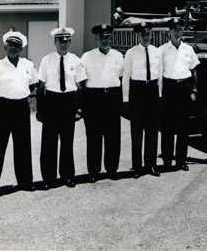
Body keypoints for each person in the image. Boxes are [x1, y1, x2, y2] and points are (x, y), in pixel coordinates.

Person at [0, 30, 38, 200]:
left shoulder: (28, 65)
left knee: (23, 146)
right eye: (11, 45)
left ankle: (25, 182)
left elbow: (33, 84)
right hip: (1, 108)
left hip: (21, 107)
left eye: (17, 45)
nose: (14, 48)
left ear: (22, 48)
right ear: (5, 46)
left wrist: (19, 93)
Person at [37, 27, 87, 189]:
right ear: (55, 42)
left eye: (66, 41)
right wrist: (40, 109)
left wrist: (79, 109)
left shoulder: (76, 60)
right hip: (51, 101)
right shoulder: (47, 60)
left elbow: (80, 87)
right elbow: (41, 86)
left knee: (67, 142)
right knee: (49, 142)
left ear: (70, 42)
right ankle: (48, 178)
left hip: (68, 102)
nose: (63, 45)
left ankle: (67, 176)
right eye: (60, 41)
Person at [81, 24, 124, 182]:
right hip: (93, 99)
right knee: (94, 136)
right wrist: (82, 104)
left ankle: (112, 169)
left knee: (113, 136)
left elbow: (122, 78)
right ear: (96, 38)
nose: (104, 40)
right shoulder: (87, 57)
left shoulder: (118, 56)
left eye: (107, 37)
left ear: (111, 38)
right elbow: (81, 81)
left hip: (112, 98)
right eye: (101, 37)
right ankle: (93, 171)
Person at [122, 23, 162, 178]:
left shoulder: (157, 52)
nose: (146, 37)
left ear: (151, 35)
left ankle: (151, 165)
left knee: (152, 130)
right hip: (137, 91)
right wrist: (125, 99)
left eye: (148, 34)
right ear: (138, 36)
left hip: (152, 90)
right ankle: (137, 167)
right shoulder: (131, 53)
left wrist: (159, 95)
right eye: (143, 34)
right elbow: (126, 77)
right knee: (137, 130)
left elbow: (159, 75)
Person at [160, 21, 200, 171]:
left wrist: (194, 90)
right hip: (169, 88)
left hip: (184, 88)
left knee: (183, 127)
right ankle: (167, 161)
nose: (177, 33)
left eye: (180, 30)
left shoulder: (188, 49)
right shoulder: (162, 50)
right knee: (168, 127)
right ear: (169, 31)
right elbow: (158, 73)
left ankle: (181, 161)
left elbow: (194, 71)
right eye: (175, 30)